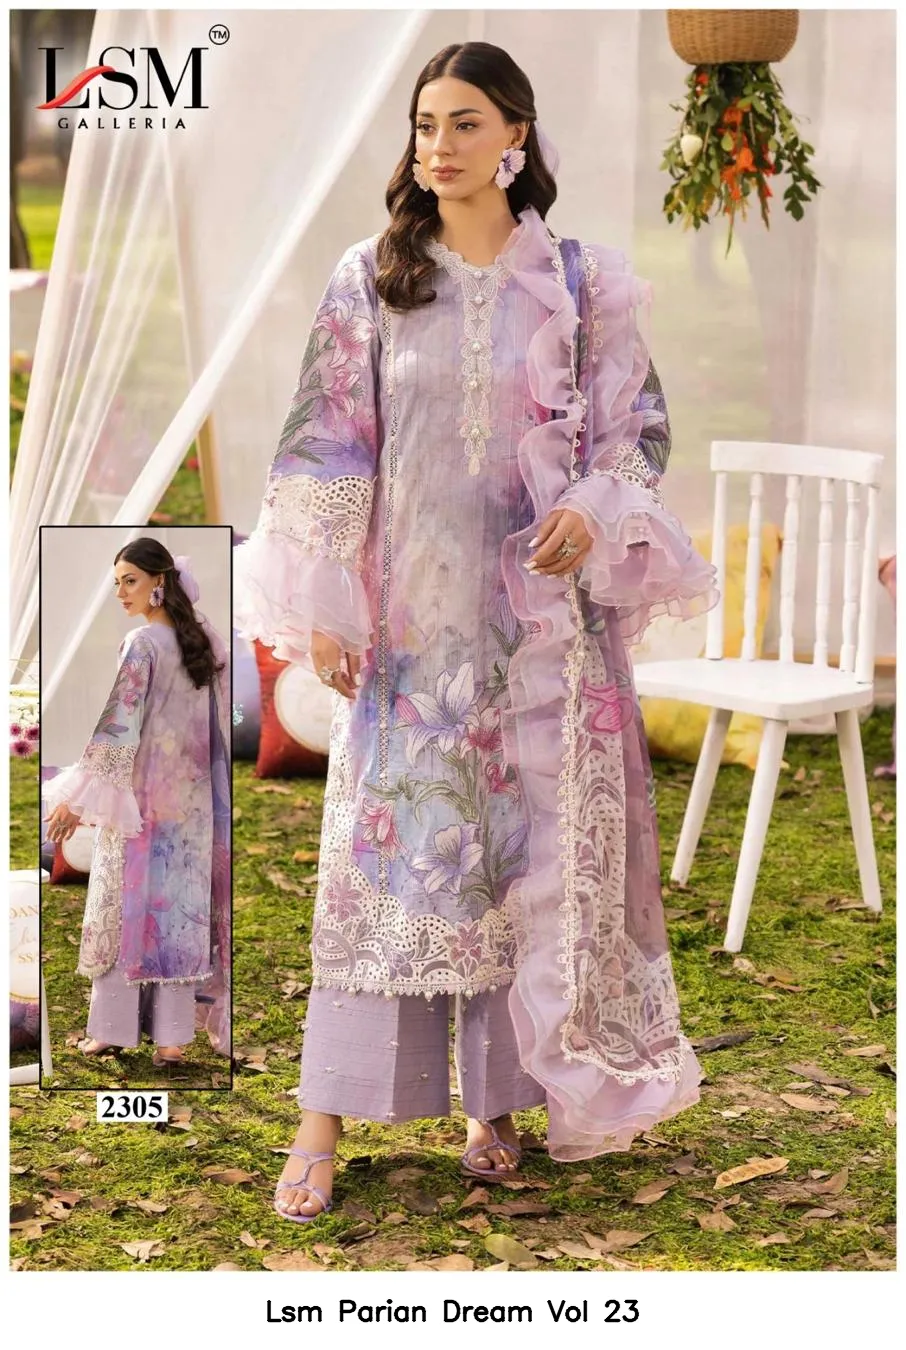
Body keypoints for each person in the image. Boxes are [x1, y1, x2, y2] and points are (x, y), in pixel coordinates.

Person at [234, 41, 718, 1222]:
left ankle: (497, 1104)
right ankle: (321, 1118)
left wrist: (590, 509)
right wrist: (326, 604)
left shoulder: (586, 284)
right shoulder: (372, 278)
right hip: (410, 632)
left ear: (516, 136)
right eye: (423, 126)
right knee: (386, 866)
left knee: (518, 871)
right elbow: (327, 443)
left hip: (543, 638)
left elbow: (636, 437)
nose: (437, 146)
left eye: (463, 123)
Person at [43, 538, 232, 1068]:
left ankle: (113, 1030)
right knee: (178, 916)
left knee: (124, 906)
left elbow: (119, 726)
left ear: (159, 582)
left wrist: (76, 800)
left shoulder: (142, 643)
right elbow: (218, 729)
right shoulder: (203, 642)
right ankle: (172, 1038)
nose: (121, 592)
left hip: (139, 803)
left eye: (130, 580)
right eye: (117, 583)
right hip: (191, 807)